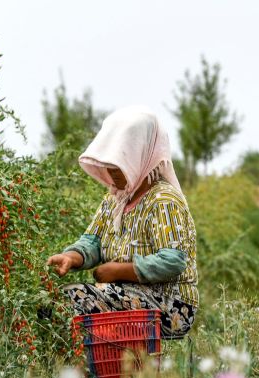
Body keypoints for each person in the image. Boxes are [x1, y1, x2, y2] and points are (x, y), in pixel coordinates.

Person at [46, 106, 198, 339]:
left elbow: (173, 261)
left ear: (143, 154)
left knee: (72, 298)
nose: (112, 168)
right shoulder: (116, 198)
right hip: (126, 293)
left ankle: (81, 371)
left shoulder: (164, 200)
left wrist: (119, 271)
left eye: (122, 158)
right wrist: (71, 257)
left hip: (171, 305)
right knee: (52, 299)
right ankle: (91, 371)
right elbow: (93, 242)